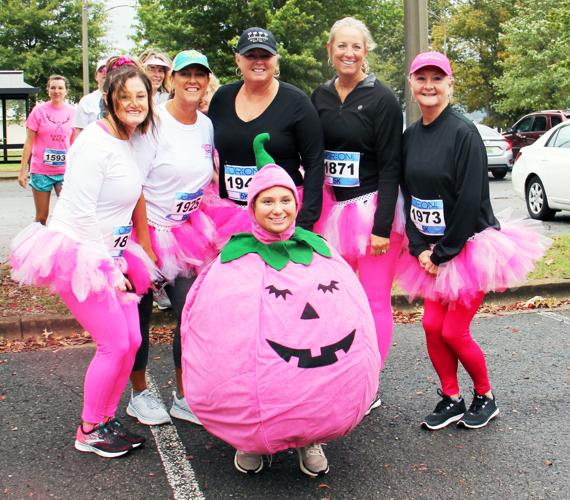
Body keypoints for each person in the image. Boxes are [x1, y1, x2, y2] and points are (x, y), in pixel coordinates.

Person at [180, 134, 379, 476]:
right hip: (250, 393)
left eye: (285, 200)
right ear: (253, 208)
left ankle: (310, 438)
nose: (278, 209)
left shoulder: (321, 254)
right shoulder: (232, 262)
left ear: (295, 204)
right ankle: (248, 438)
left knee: (316, 371)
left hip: (316, 357)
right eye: (267, 201)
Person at [11, 63, 157, 457]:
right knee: (113, 344)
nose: (133, 103)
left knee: (132, 341)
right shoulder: (95, 142)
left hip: (111, 253)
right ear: (109, 98)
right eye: (124, 96)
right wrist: (109, 270)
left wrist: (127, 256)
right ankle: (89, 429)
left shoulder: (128, 139)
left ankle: (105, 419)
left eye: (140, 96)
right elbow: (82, 213)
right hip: (80, 255)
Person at [399, 52, 550, 430]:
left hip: (468, 250)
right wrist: (419, 247)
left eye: (437, 78)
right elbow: (409, 195)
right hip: (430, 252)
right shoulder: (410, 137)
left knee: (454, 329)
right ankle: (451, 398)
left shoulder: (464, 134)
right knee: (432, 327)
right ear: (412, 84)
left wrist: (444, 253)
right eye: (422, 78)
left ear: (450, 84)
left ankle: (486, 396)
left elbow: (469, 201)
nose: (429, 85)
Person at [311, 17, 404, 407]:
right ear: (330, 50)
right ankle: (343, 370)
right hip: (333, 212)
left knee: (374, 300)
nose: (349, 53)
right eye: (341, 46)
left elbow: (391, 166)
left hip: (372, 212)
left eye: (356, 47)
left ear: (366, 52)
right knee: (336, 297)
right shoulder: (319, 96)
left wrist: (382, 227)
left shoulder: (382, 99)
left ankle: (370, 384)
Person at [127, 50, 216, 426]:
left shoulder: (207, 125)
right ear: (172, 80)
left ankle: (184, 396)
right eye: (185, 74)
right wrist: (146, 244)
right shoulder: (154, 122)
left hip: (187, 233)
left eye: (200, 74)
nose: (192, 80)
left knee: (190, 313)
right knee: (140, 316)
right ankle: (140, 393)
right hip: (145, 231)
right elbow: (133, 184)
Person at [204, 26, 324, 247]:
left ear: (276, 60)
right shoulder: (221, 98)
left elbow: (315, 164)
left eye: (265, 55)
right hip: (230, 215)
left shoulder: (297, 103)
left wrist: (305, 222)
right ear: (237, 59)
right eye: (251, 55)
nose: (258, 61)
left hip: (279, 218)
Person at [18, 75, 75, 225]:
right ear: (48, 90)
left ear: (66, 91)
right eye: (53, 87)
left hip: (65, 171)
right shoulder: (38, 111)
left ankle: (63, 247)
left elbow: (75, 144)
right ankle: (37, 246)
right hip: (41, 171)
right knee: (42, 217)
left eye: (60, 88)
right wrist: (23, 170)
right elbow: (29, 142)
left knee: (67, 216)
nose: (57, 91)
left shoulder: (73, 112)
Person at [71, 58, 108, 141]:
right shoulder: (86, 101)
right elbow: (79, 132)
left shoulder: (121, 99)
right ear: (96, 76)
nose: (105, 72)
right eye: (102, 70)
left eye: (109, 70)